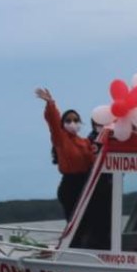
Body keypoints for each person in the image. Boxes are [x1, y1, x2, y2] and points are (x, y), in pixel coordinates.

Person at [35, 87, 96, 222]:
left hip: (86, 184)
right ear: (63, 124)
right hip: (70, 186)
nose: (72, 123)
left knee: (89, 220)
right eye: (68, 121)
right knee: (75, 221)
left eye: (75, 120)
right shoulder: (61, 139)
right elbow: (53, 122)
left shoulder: (86, 142)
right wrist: (50, 103)